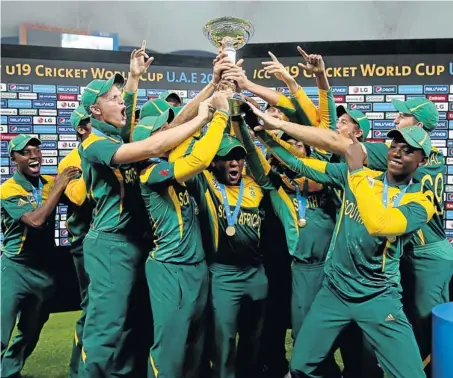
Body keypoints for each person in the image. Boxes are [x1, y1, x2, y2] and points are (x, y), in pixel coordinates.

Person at [249, 95, 452, 376]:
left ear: (421, 160)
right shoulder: (360, 176)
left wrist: (356, 173)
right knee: (300, 366)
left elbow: (380, 224)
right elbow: (306, 167)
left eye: (408, 151)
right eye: (395, 146)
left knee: (409, 374)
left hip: (379, 297)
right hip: (335, 291)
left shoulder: (420, 200)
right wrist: (266, 138)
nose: (397, 153)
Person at [78, 43, 221, 377]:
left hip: (138, 242)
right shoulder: (94, 143)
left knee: (135, 327)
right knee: (105, 329)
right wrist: (206, 118)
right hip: (110, 244)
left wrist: (212, 86)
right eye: (112, 99)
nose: (121, 103)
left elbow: (169, 128)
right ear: (95, 112)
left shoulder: (118, 133)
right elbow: (159, 143)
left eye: (119, 97)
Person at [133, 92, 230, 378]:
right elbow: (198, 159)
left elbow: (190, 143)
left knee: (195, 349)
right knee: (170, 350)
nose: (170, 132)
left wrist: (214, 92)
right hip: (170, 269)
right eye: (162, 129)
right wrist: (220, 117)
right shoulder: (150, 173)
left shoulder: (172, 163)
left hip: (196, 268)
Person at [1, 135, 79, 378]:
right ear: (13, 159)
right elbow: (35, 220)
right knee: (2, 334)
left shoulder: (48, 183)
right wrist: (59, 186)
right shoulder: (8, 189)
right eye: (25, 152)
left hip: (44, 271)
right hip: (14, 268)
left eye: (36, 150)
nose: (34, 155)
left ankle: (9, 372)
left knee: (31, 331)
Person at [57, 106, 93, 377]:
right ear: (81, 129)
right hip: (85, 245)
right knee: (92, 308)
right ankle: (77, 371)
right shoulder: (70, 161)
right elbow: (79, 197)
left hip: (115, 244)